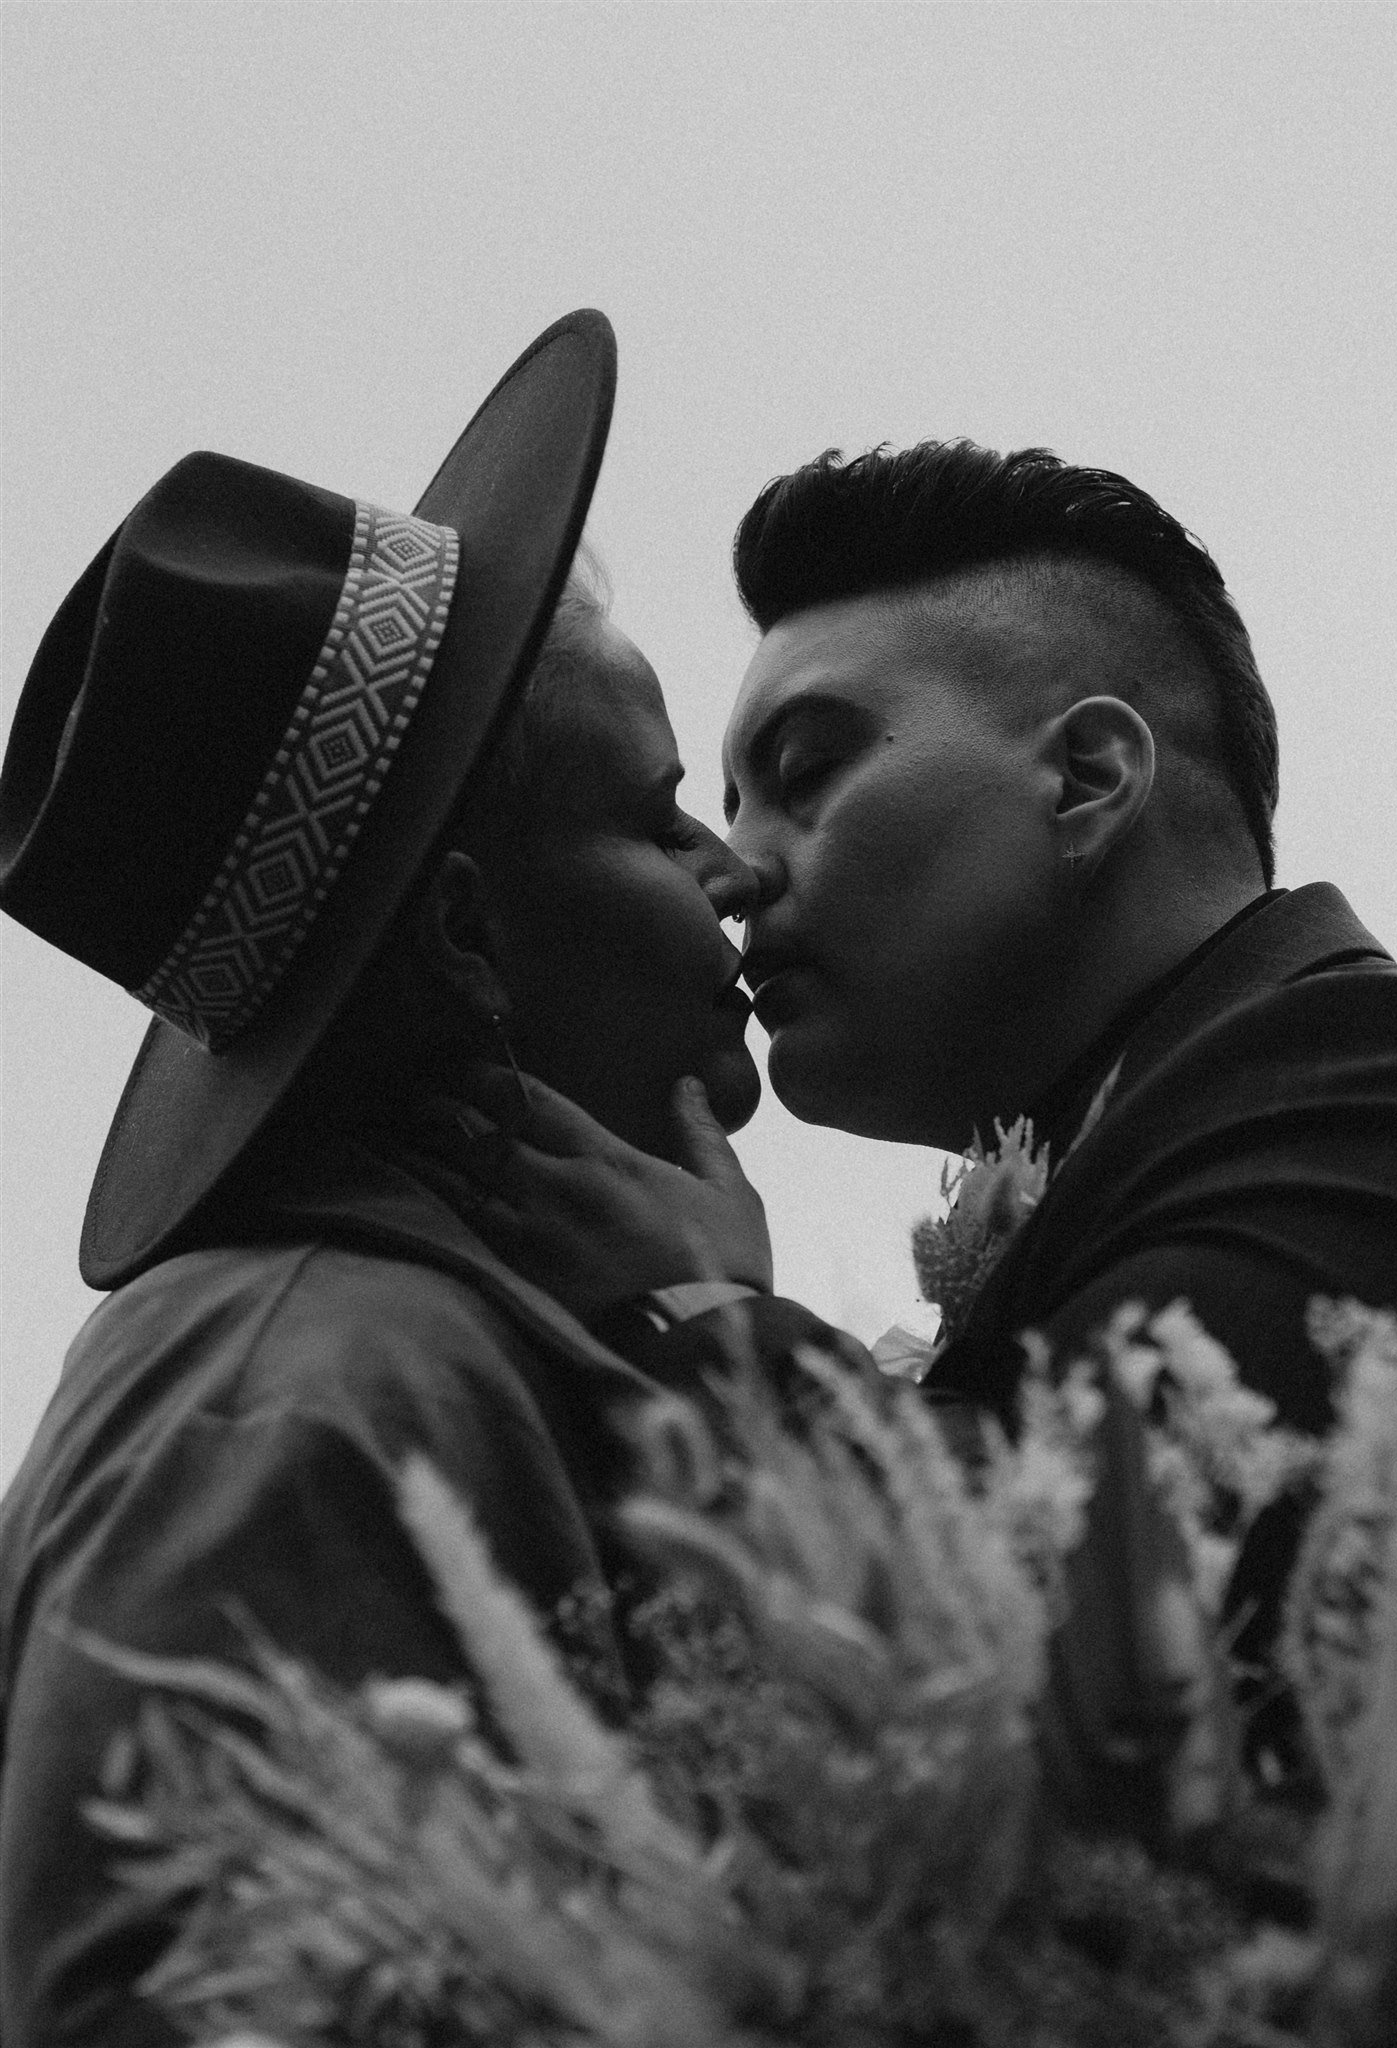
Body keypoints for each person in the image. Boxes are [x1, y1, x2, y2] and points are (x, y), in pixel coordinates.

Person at [0, 310, 838, 2047]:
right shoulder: (316, 1391)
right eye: (663, 813)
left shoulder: (461, 1343)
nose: (733, 874)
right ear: (465, 926)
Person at [467, 440, 1397, 1782]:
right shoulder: (1176, 1136)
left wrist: (703, 1318)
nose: (738, 871)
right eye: (722, 806)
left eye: (809, 768)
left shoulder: (1393, 1068)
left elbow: (1091, 1636)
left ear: (1091, 777)